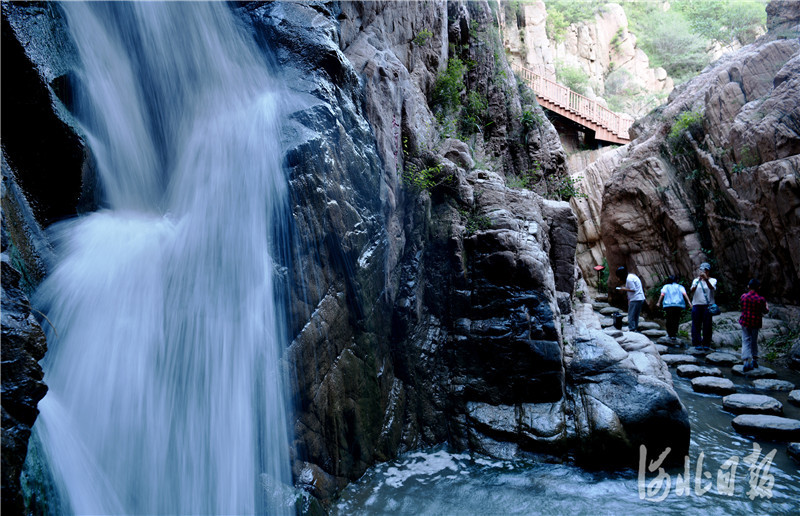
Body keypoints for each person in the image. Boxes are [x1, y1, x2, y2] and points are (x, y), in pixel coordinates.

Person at [739, 278, 769, 372]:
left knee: (745, 340)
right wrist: (767, 306)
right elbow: (765, 311)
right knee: (754, 341)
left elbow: (742, 306)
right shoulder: (761, 299)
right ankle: (754, 359)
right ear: (759, 287)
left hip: (745, 322)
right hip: (755, 323)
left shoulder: (743, 296)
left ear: (748, 286)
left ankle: (745, 361)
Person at [690, 262, 717, 351]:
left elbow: (712, 288)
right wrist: (698, 281)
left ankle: (706, 343)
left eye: (706, 270)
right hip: (697, 305)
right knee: (696, 324)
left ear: (708, 271)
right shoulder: (695, 280)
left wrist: (706, 280)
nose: (703, 272)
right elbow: (692, 290)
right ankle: (697, 343)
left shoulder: (713, 280)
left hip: (707, 305)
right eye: (702, 270)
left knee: (707, 325)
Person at [656, 275, 692, 341]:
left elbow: (662, 294)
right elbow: (684, 294)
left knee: (669, 319)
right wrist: (689, 302)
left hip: (669, 305)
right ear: (676, 280)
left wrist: (658, 302)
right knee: (676, 319)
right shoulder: (680, 287)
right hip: (678, 305)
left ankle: (670, 334)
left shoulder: (666, 286)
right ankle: (674, 335)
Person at [616, 266, 645, 332]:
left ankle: (632, 329)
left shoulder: (629, 279)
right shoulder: (632, 276)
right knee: (636, 315)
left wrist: (623, 289)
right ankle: (635, 328)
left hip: (635, 298)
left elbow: (633, 289)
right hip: (640, 298)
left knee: (631, 315)